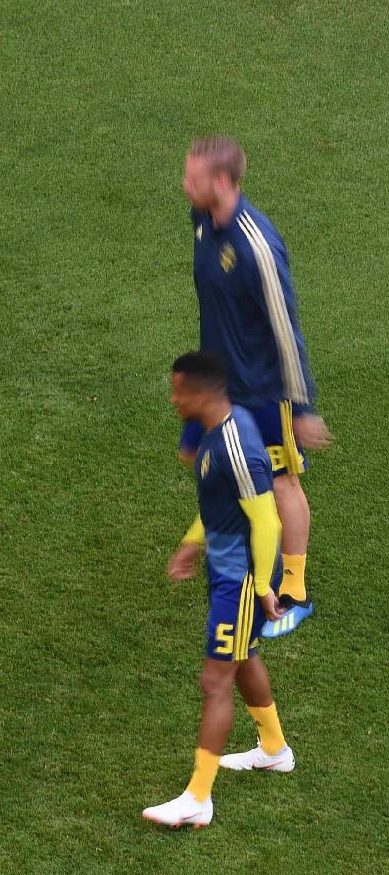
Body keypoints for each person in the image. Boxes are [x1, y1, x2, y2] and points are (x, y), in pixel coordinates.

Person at [179, 136, 329, 637]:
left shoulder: (256, 245)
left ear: (222, 181)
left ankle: (295, 591)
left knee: (282, 481)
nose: (185, 185)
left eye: (193, 178)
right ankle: (243, 543)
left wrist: (301, 407)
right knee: (212, 461)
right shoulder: (203, 221)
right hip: (219, 385)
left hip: (263, 390)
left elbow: (286, 328)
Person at [145, 352, 294, 830]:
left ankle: (198, 798)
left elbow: (267, 520)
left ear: (201, 393)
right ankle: (274, 749)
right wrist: (192, 544)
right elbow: (219, 504)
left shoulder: (237, 448)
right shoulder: (217, 429)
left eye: (178, 392)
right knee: (242, 656)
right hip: (227, 571)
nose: (173, 400)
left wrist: (264, 587)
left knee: (215, 681)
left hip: (242, 581)